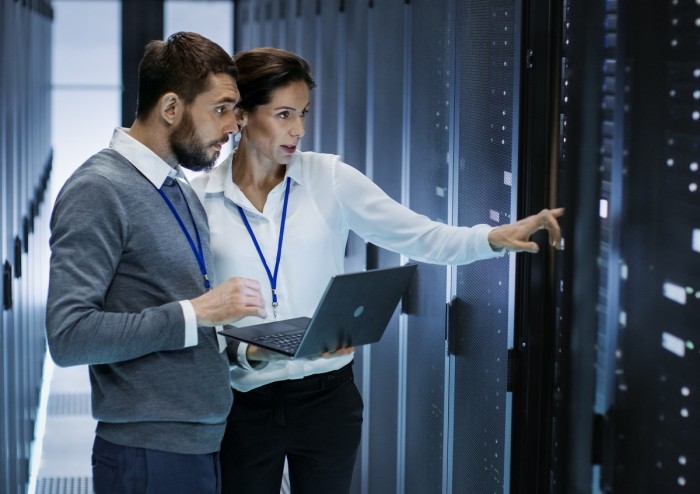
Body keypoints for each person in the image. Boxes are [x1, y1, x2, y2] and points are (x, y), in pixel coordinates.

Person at [191, 47, 564, 494]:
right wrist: (241, 353)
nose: (299, 130)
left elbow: (420, 235)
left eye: (304, 113)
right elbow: (189, 309)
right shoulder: (199, 200)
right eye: (284, 114)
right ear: (244, 115)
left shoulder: (328, 178)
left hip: (326, 396)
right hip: (242, 402)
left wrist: (491, 238)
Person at [45, 32, 268, 494]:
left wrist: (246, 350)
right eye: (221, 108)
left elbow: (172, 311)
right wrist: (199, 312)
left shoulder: (178, 189)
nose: (233, 126)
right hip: (148, 456)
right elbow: (68, 336)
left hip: (200, 442)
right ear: (171, 108)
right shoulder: (98, 190)